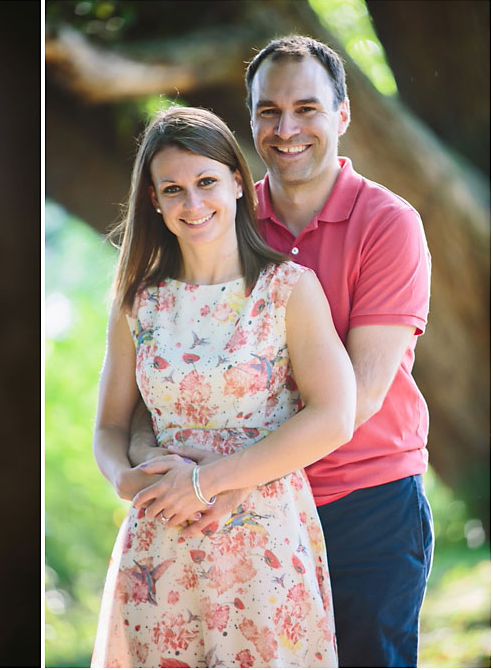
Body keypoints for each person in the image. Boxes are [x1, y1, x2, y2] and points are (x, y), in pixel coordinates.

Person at [129, 36, 434, 667]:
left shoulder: (389, 223)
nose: (287, 127)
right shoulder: (219, 212)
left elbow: (362, 396)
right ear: (250, 122)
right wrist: (160, 473)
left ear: (342, 115)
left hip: (363, 505)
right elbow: (163, 362)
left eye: (307, 108)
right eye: (268, 110)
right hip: (233, 518)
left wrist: (228, 480)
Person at [91, 106, 356, 667]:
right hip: (161, 545)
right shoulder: (138, 303)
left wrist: (206, 482)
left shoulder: (288, 289)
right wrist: (124, 478)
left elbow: (334, 414)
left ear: (238, 181)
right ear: (155, 204)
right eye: (173, 189)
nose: (193, 203)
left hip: (263, 546)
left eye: (206, 181)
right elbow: (110, 428)